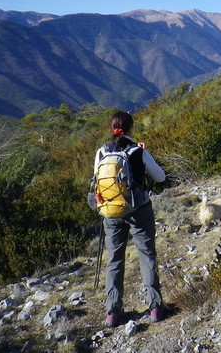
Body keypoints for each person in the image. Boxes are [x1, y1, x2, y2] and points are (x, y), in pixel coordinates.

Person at [94, 110, 166, 328]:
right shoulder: (138, 151)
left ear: (112, 128)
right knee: (146, 255)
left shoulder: (102, 152)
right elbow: (161, 177)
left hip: (111, 213)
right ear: (131, 129)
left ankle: (112, 312)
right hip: (139, 210)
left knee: (115, 259)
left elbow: (97, 181)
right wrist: (142, 157)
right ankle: (154, 307)